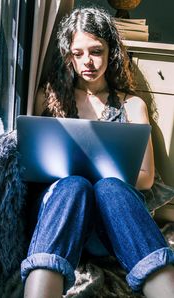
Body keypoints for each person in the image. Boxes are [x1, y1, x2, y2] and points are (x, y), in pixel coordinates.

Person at [21, 6, 174, 298]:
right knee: (73, 186)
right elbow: (31, 168)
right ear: (68, 56)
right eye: (78, 54)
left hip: (112, 229)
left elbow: (145, 179)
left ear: (111, 52)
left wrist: (101, 178)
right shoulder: (49, 97)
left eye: (96, 51)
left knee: (109, 188)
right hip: (60, 222)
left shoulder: (132, 106)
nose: (87, 62)